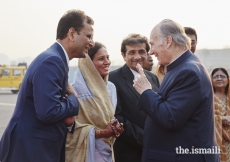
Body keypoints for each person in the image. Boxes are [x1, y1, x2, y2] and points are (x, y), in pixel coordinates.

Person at [0, 9, 94, 162]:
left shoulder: (56, 59)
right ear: (71, 34)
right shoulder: (52, 61)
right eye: (88, 36)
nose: (92, 42)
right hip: (30, 150)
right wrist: (74, 99)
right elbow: (48, 111)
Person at [133, 19, 219, 162]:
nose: (151, 51)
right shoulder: (180, 67)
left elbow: (170, 118)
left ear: (168, 41)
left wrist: (146, 91)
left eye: (152, 44)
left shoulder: (188, 71)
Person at [65, 42, 124, 162]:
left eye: (107, 57)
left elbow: (108, 118)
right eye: (101, 59)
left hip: (106, 149)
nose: (107, 62)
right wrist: (101, 132)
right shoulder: (76, 91)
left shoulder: (111, 88)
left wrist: (114, 127)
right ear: (89, 64)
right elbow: (71, 129)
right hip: (84, 153)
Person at [109, 34, 159, 162]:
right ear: (123, 55)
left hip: (155, 152)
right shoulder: (113, 79)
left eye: (142, 51)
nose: (137, 57)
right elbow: (118, 118)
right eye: (132, 52)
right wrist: (147, 140)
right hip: (128, 153)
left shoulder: (153, 78)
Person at [211, 67, 230, 162]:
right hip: (215, 140)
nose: (219, 79)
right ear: (211, 80)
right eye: (216, 77)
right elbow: (202, 118)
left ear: (228, 79)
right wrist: (220, 119)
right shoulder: (208, 98)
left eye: (222, 76)